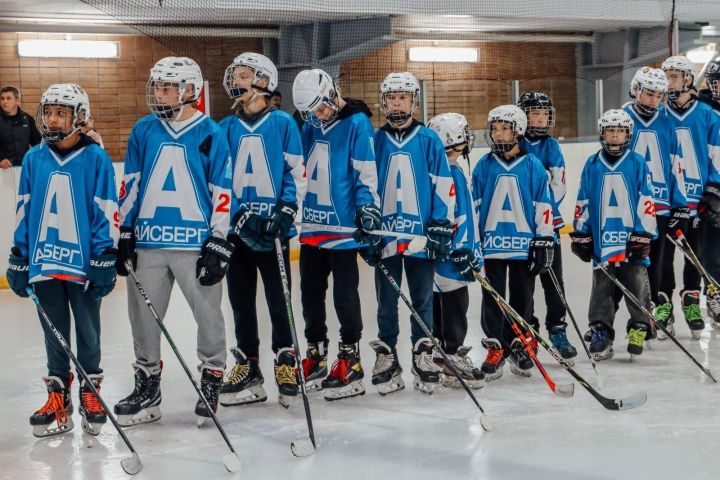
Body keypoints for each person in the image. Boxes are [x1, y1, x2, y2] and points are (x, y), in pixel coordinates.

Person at [113, 57, 234, 426]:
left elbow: (222, 190)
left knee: (208, 316)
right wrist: (126, 231)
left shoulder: (211, 132)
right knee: (143, 319)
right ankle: (148, 383)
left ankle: (212, 376)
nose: (160, 93)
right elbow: (130, 183)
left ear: (189, 90)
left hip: (194, 245)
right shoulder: (144, 130)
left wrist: (218, 239)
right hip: (150, 243)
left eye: (167, 87)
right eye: (159, 86)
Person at [6, 83, 118, 437]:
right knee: (53, 334)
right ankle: (58, 398)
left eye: (61, 113)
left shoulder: (96, 157)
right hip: (44, 262)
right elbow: (24, 209)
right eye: (49, 112)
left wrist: (104, 255)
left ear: (79, 117)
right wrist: (19, 255)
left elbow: (105, 209)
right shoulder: (35, 158)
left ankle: (90, 391)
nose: (52, 119)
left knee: (87, 332)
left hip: (82, 265)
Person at [217, 52, 306, 409]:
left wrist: (284, 213)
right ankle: (247, 365)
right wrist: (238, 216)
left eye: (243, 74)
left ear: (264, 82)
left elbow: (296, 173)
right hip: (239, 233)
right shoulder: (226, 127)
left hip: (274, 232)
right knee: (240, 301)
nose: (236, 79)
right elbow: (222, 178)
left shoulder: (283, 123)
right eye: (235, 73)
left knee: (279, 300)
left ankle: (286, 360)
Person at [292, 68, 380, 401]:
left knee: (345, 298)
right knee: (310, 298)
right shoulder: (309, 124)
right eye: (310, 111)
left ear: (332, 92)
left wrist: (367, 208)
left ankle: (350, 358)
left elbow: (364, 173)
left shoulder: (357, 124)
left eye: (320, 107)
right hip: (313, 229)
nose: (317, 115)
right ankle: (316, 355)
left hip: (343, 231)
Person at [367, 72, 454, 395]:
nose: (397, 103)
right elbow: (369, 186)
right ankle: (387, 353)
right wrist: (370, 231)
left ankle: (423, 351)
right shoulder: (377, 140)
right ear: (384, 102)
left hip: (420, 236)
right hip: (387, 235)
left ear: (414, 101)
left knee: (422, 299)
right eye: (392, 98)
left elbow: (442, 185)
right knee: (386, 302)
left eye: (403, 97)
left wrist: (440, 226)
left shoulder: (428, 139)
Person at [471, 105, 555, 381]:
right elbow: (474, 207)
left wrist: (544, 239)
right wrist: (473, 242)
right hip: (491, 247)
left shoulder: (533, 167)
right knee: (492, 301)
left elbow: (544, 204)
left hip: (523, 247)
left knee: (522, 299)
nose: (498, 134)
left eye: (504, 128)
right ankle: (496, 346)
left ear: (518, 131)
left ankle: (520, 343)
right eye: (494, 128)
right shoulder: (483, 166)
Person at [571, 109, 657, 360]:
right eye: (610, 131)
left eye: (620, 131)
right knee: (602, 288)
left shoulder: (638, 162)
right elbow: (583, 199)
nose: (615, 136)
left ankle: (640, 326)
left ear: (628, 134)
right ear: (602, 134)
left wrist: (643, 235)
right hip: (603, 240)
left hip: (631, 240)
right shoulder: (592, 163)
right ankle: (601, 330)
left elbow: (646, 200)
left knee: (636, 284)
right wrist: (581, 233)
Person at [623, 67, 688, 340]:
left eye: (659, 95)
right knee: (628, 268)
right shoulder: (621, 119)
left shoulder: (666, 121)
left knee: (656, 266)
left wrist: (680, 203)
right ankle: (629, 320)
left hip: (659, 206)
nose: (654, 100)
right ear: (637, 89)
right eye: (649, 93)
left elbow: (677, 164)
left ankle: (649, 317)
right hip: (628, 207)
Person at [660, 55, 720, 337]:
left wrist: (713, 190)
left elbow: (716, 156)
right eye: (666, 76)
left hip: (697, 201)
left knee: (694, 257)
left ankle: (692, 302)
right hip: (667, 201)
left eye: (674, 76)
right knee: (663, 257)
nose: (668, 82)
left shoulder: (709, 115)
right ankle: (663, 304)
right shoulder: (659, 115)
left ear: (687, 79)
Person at [517, 91, 577, 360]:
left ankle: (557, 328)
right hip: (520, 227)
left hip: (548, 224)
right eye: (535, 114)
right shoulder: (515, 142)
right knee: (524, 283)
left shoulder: (551, 145)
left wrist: (541, 209)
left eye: (544, 114)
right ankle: (528, 328)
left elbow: (559, 184)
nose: (541, 119)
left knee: (554, 282)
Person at [427, 112, 484, 390]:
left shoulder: (436, 171)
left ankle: (439, 353)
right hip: (453, 258)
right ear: (456, 141)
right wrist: (462, 250)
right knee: (455, 305)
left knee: (439, 303)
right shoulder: (453, 173)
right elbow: (457, 215)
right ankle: (453, 356)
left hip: (437, 258)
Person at [0, 85, 41, 168]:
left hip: (24, 167)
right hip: (3, 169)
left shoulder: (28, 119)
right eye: (2, 98)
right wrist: (1, 159)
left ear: (17, 101)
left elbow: (37, 144)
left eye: (8, 98)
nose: (4, 102)